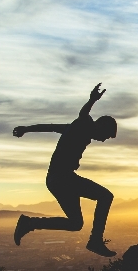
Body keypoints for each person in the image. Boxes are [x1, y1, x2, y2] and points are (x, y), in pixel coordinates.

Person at [11, 83, 118, 257]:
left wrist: (27, 129)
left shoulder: (74, 128)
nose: (104, 140)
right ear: (101, 126)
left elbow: (51, 127)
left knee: (76, 223)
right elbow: (83, 114)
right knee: (106, 196)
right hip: (62, 178)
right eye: (106, 135)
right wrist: (91, 100)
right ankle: (95, 241)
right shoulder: (84, 124)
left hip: (57, 180)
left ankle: (29, 223)